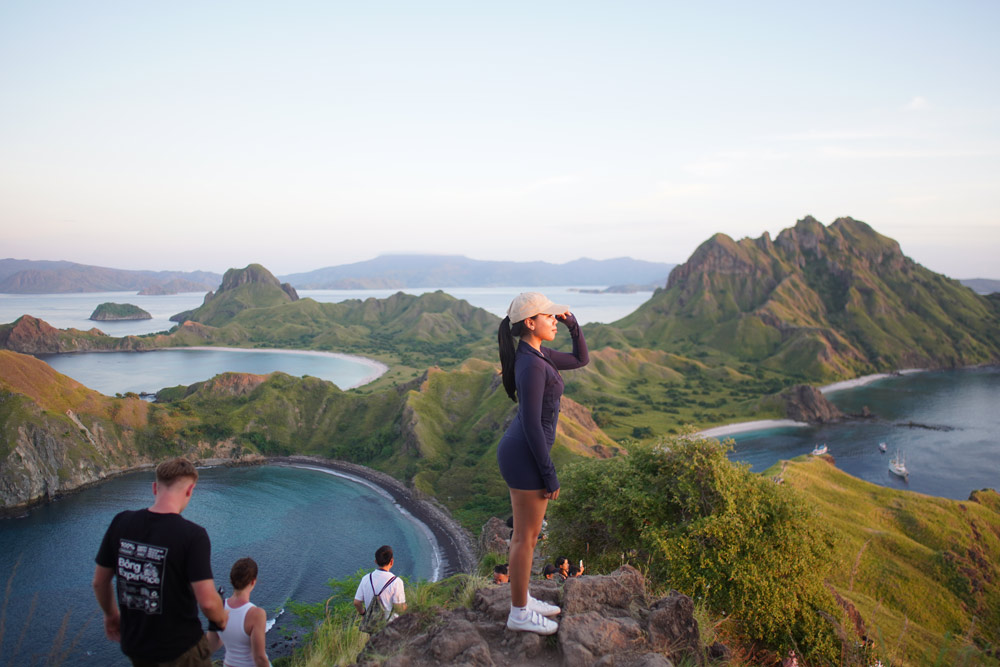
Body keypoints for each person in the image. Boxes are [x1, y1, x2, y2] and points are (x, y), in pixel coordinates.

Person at [496, 292, 589, 635]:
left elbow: (581, 359)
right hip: (525, 456)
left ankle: (522, 599)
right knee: (524, 538)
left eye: (555, 316)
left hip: (523, 451)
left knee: (529, 537)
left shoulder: (536, 354)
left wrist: (571, 323)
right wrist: (549, 475)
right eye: (548, 316)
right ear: (529, 323)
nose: (554, 319)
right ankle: (518, 612)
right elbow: (533, 423)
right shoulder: (532, 364)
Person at [93, 457, 228, 666]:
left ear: (155, 487)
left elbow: (100, 582)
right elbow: (208, 602)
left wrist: (111, 615)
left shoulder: (121, 522)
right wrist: (221, 619)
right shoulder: (193, 535)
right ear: (190, 491)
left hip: (136, 647)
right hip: (180, 650)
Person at [207, 558, 270, 667]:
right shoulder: (257, 614)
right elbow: (259, 658)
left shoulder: (219, 607)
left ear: (231, 581)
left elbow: (210, 645)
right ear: (253, 582)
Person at [353, 545, 407, 624]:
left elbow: (356, 602)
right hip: (390, 626)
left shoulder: (366, 578)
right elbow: (399, 608)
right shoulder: (396, 582)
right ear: (391, 561)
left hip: (372, 625)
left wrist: (364, 614)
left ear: (376, 561)